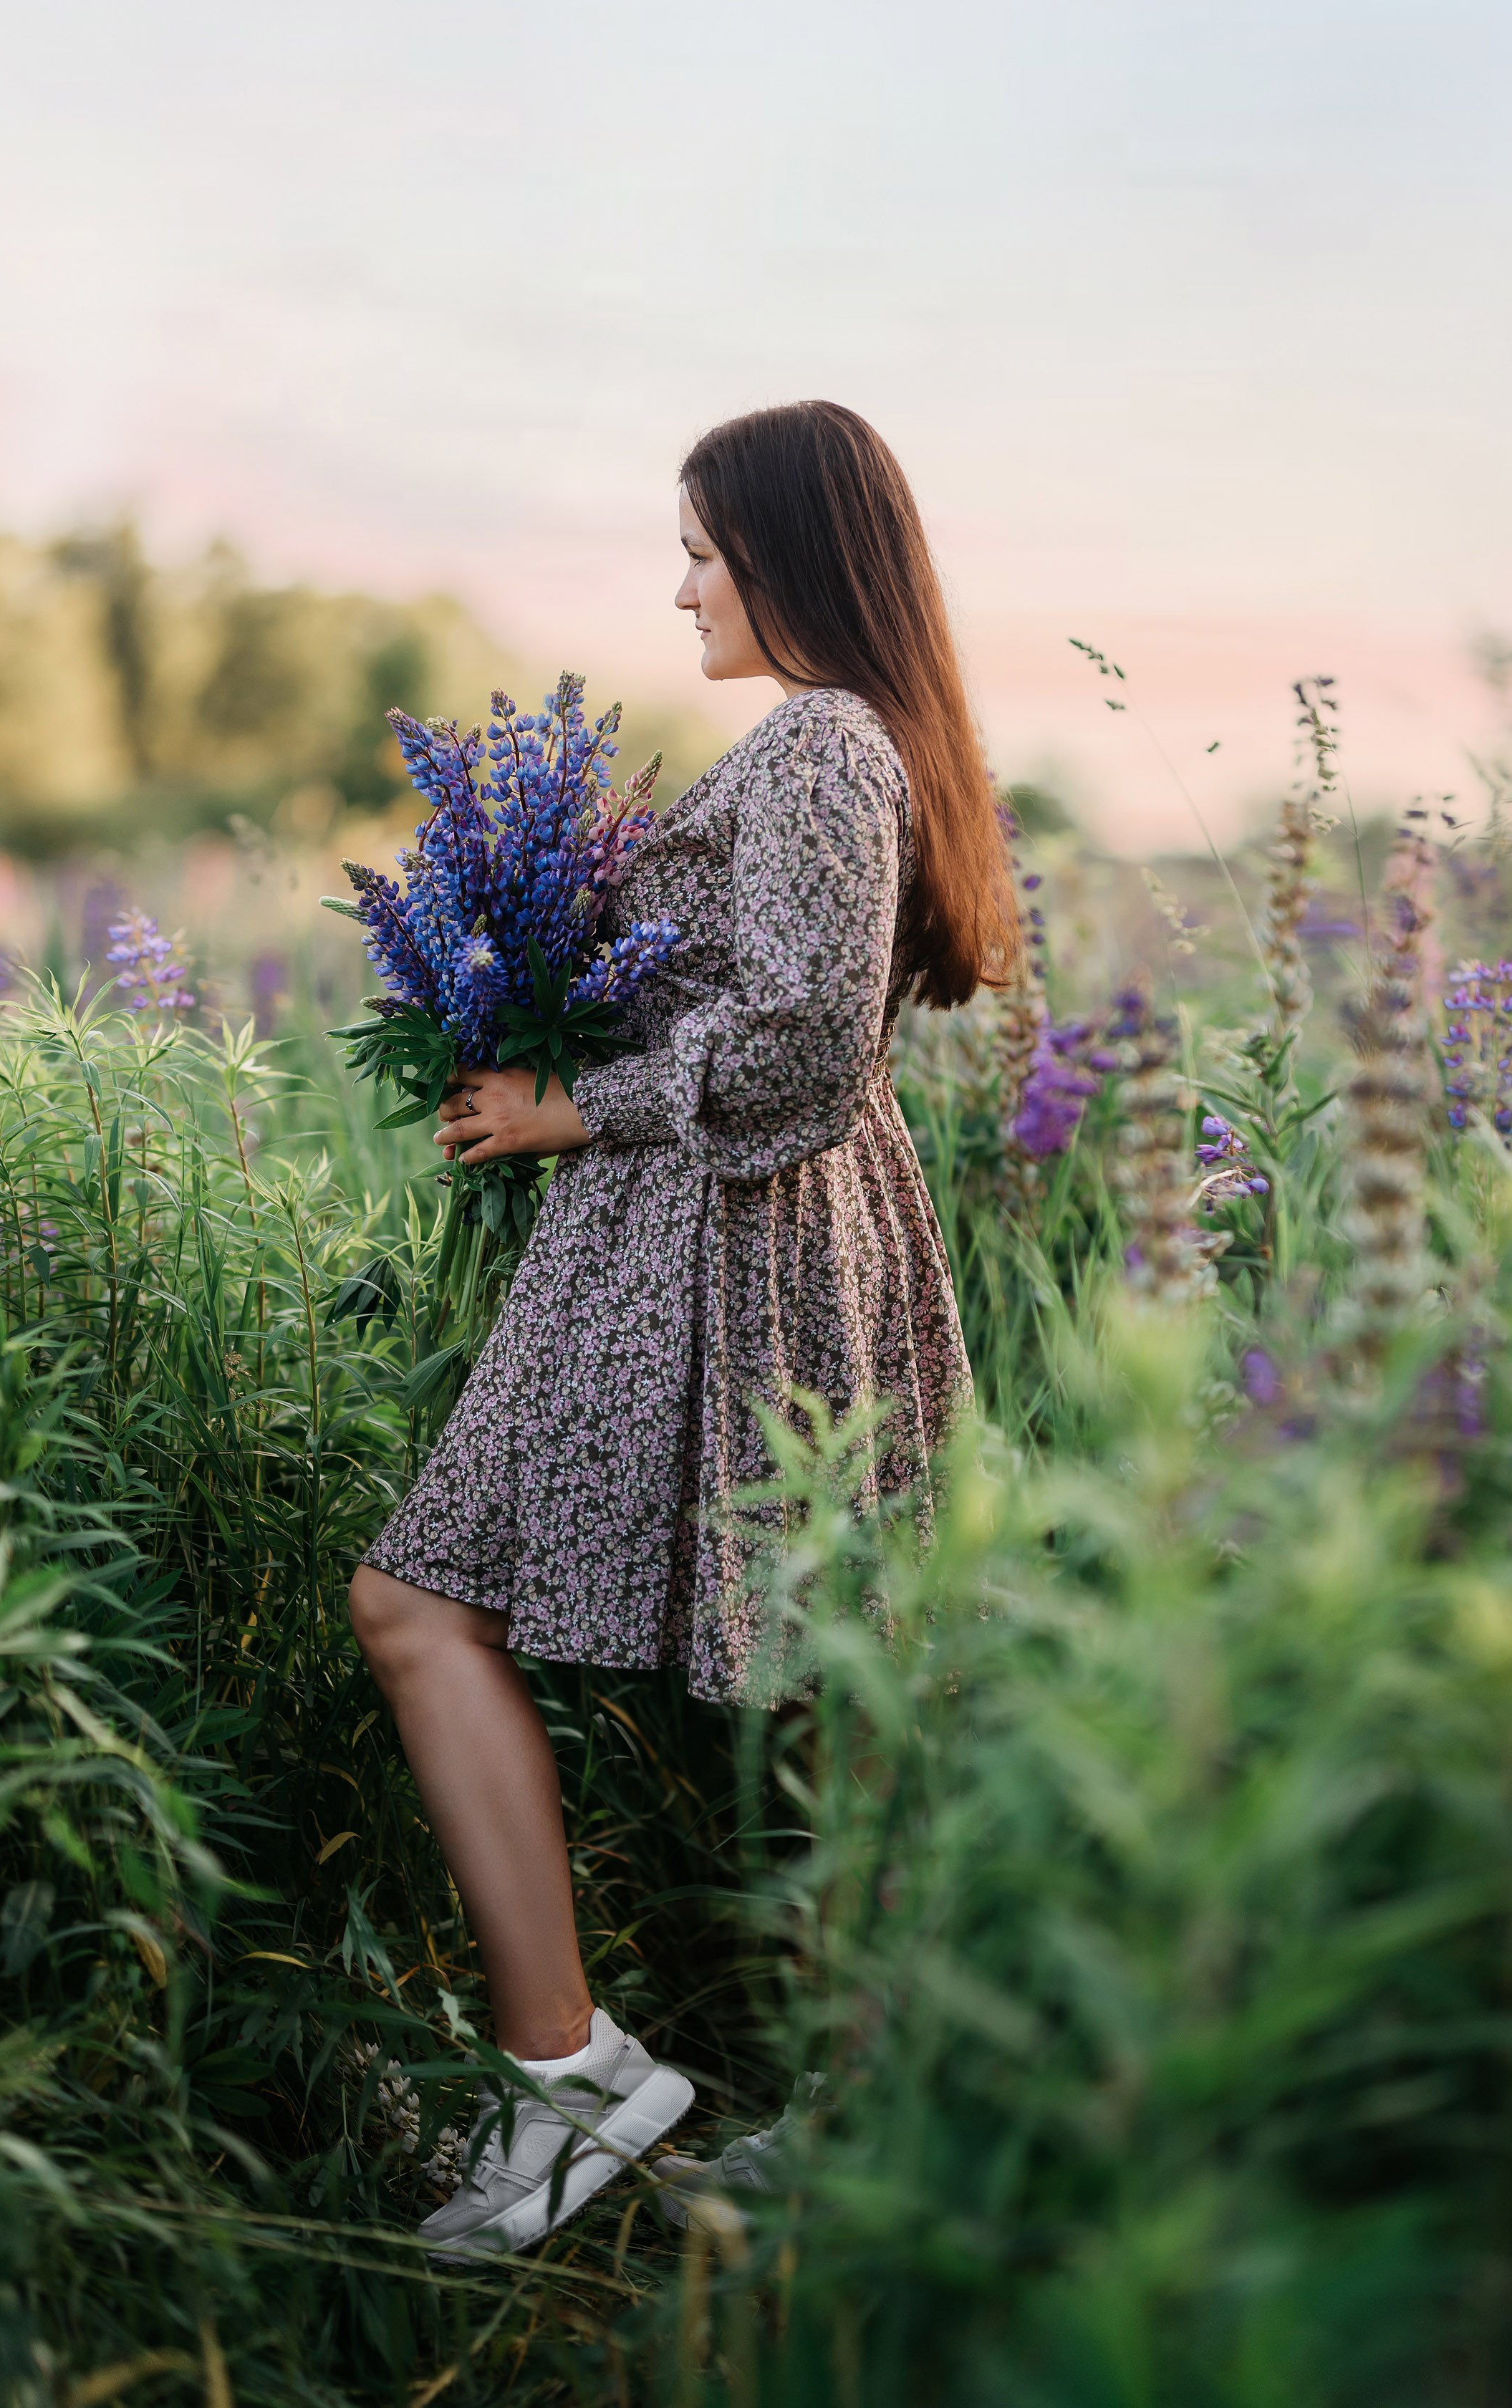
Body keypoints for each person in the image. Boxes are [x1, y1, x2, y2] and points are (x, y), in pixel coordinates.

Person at [347, 400, 1019, 2257]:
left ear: (795, 555)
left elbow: (807, 1036)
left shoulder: (817, 743)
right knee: (820, 1669)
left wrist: (575, 1105)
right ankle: (782, 2093)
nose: (681, 587)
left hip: (734, 1232)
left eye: (706, 551)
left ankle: (597, 2078)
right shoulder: (861, 743)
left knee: (454, 1606)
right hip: (733, 1231)